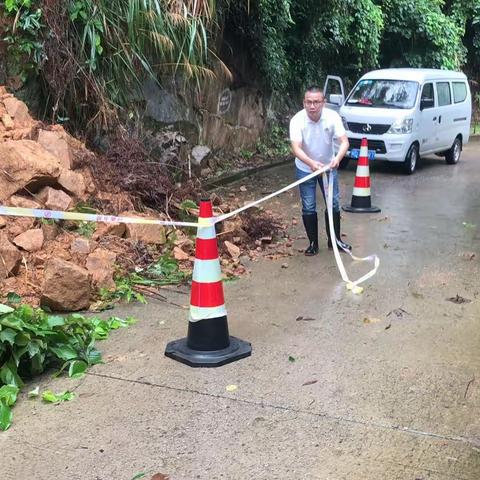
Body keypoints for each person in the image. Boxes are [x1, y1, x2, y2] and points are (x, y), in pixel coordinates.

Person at [289, 86, 351, 256]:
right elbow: (296, 148)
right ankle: (313, 243)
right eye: (308, 102)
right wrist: (310, 163)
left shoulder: (332, 117)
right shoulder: (297, 120)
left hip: (328, 168)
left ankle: (335, 241)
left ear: (323, 103)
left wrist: (337, 159)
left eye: (316, 102)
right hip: (305, 168)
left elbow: (344, 142)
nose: (312, 106)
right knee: (308, 206)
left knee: (333, 204)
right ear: (304, 103)